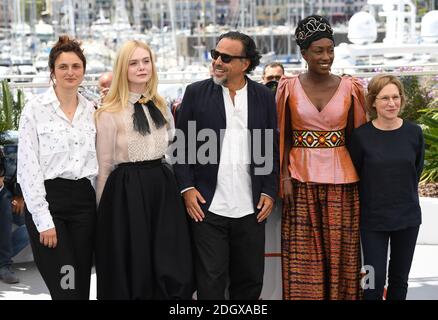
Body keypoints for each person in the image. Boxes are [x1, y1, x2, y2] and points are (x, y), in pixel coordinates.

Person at [173, 31, 279, 300]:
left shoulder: (263, 97)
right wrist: (186, 188)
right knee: (210, 284)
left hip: (251, 208)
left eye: (226, 57)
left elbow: (270, 147)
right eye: (215, 54)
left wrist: (269, 190)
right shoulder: (195, 93)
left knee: (250, 282)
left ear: (245, 64)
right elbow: (182, 147)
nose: (217, 61)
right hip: (208, 207)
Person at [94, 40, 194, 300]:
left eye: (146, 61)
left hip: (162, 188)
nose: (141, 67)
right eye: (134, 63)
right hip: (126, 194)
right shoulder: (108, 112)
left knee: (171, 262)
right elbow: (104, 167)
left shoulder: (162, 105)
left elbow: (173, 149)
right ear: (122, 69)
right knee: (135, 265)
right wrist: (102, 215)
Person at [276, 15, 367, 300]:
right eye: (319, 50)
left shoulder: (352, 87)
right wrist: (282, 176)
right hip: (300, 181)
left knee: (342, 255)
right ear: (304, 53)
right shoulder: (286, 87)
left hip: (343, 181)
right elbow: (282, 135)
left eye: (330, 49)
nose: (326, 56)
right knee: (304, 259)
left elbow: (360, 139)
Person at [17, 35, 98, 299]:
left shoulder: (93, 110)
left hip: (84, 203)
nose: (70, 72)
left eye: (76, 66)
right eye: (63, 66)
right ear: (52, 71)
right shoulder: (35, 109)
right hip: (50, 204)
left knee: (81, 284)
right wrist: (43, 221)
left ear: (83, 70)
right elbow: (27, 169)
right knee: (67, 286)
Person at [349, 74, 425, 300]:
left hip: (407, 217)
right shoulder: (360, 136)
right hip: (373, 220)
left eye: (396, 97)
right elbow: (356, 174)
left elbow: (416, 170)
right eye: (384, 98)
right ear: (372, 101)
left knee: (400, 280)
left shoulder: (414, 133)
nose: (392, 103)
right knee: (373, 281)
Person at [0, 150, 29, 284]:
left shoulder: (10, 153)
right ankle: (3, 264)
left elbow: (23, 172)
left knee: (33, 225)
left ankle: (3, 263)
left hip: (9, 198)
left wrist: (20, 195)